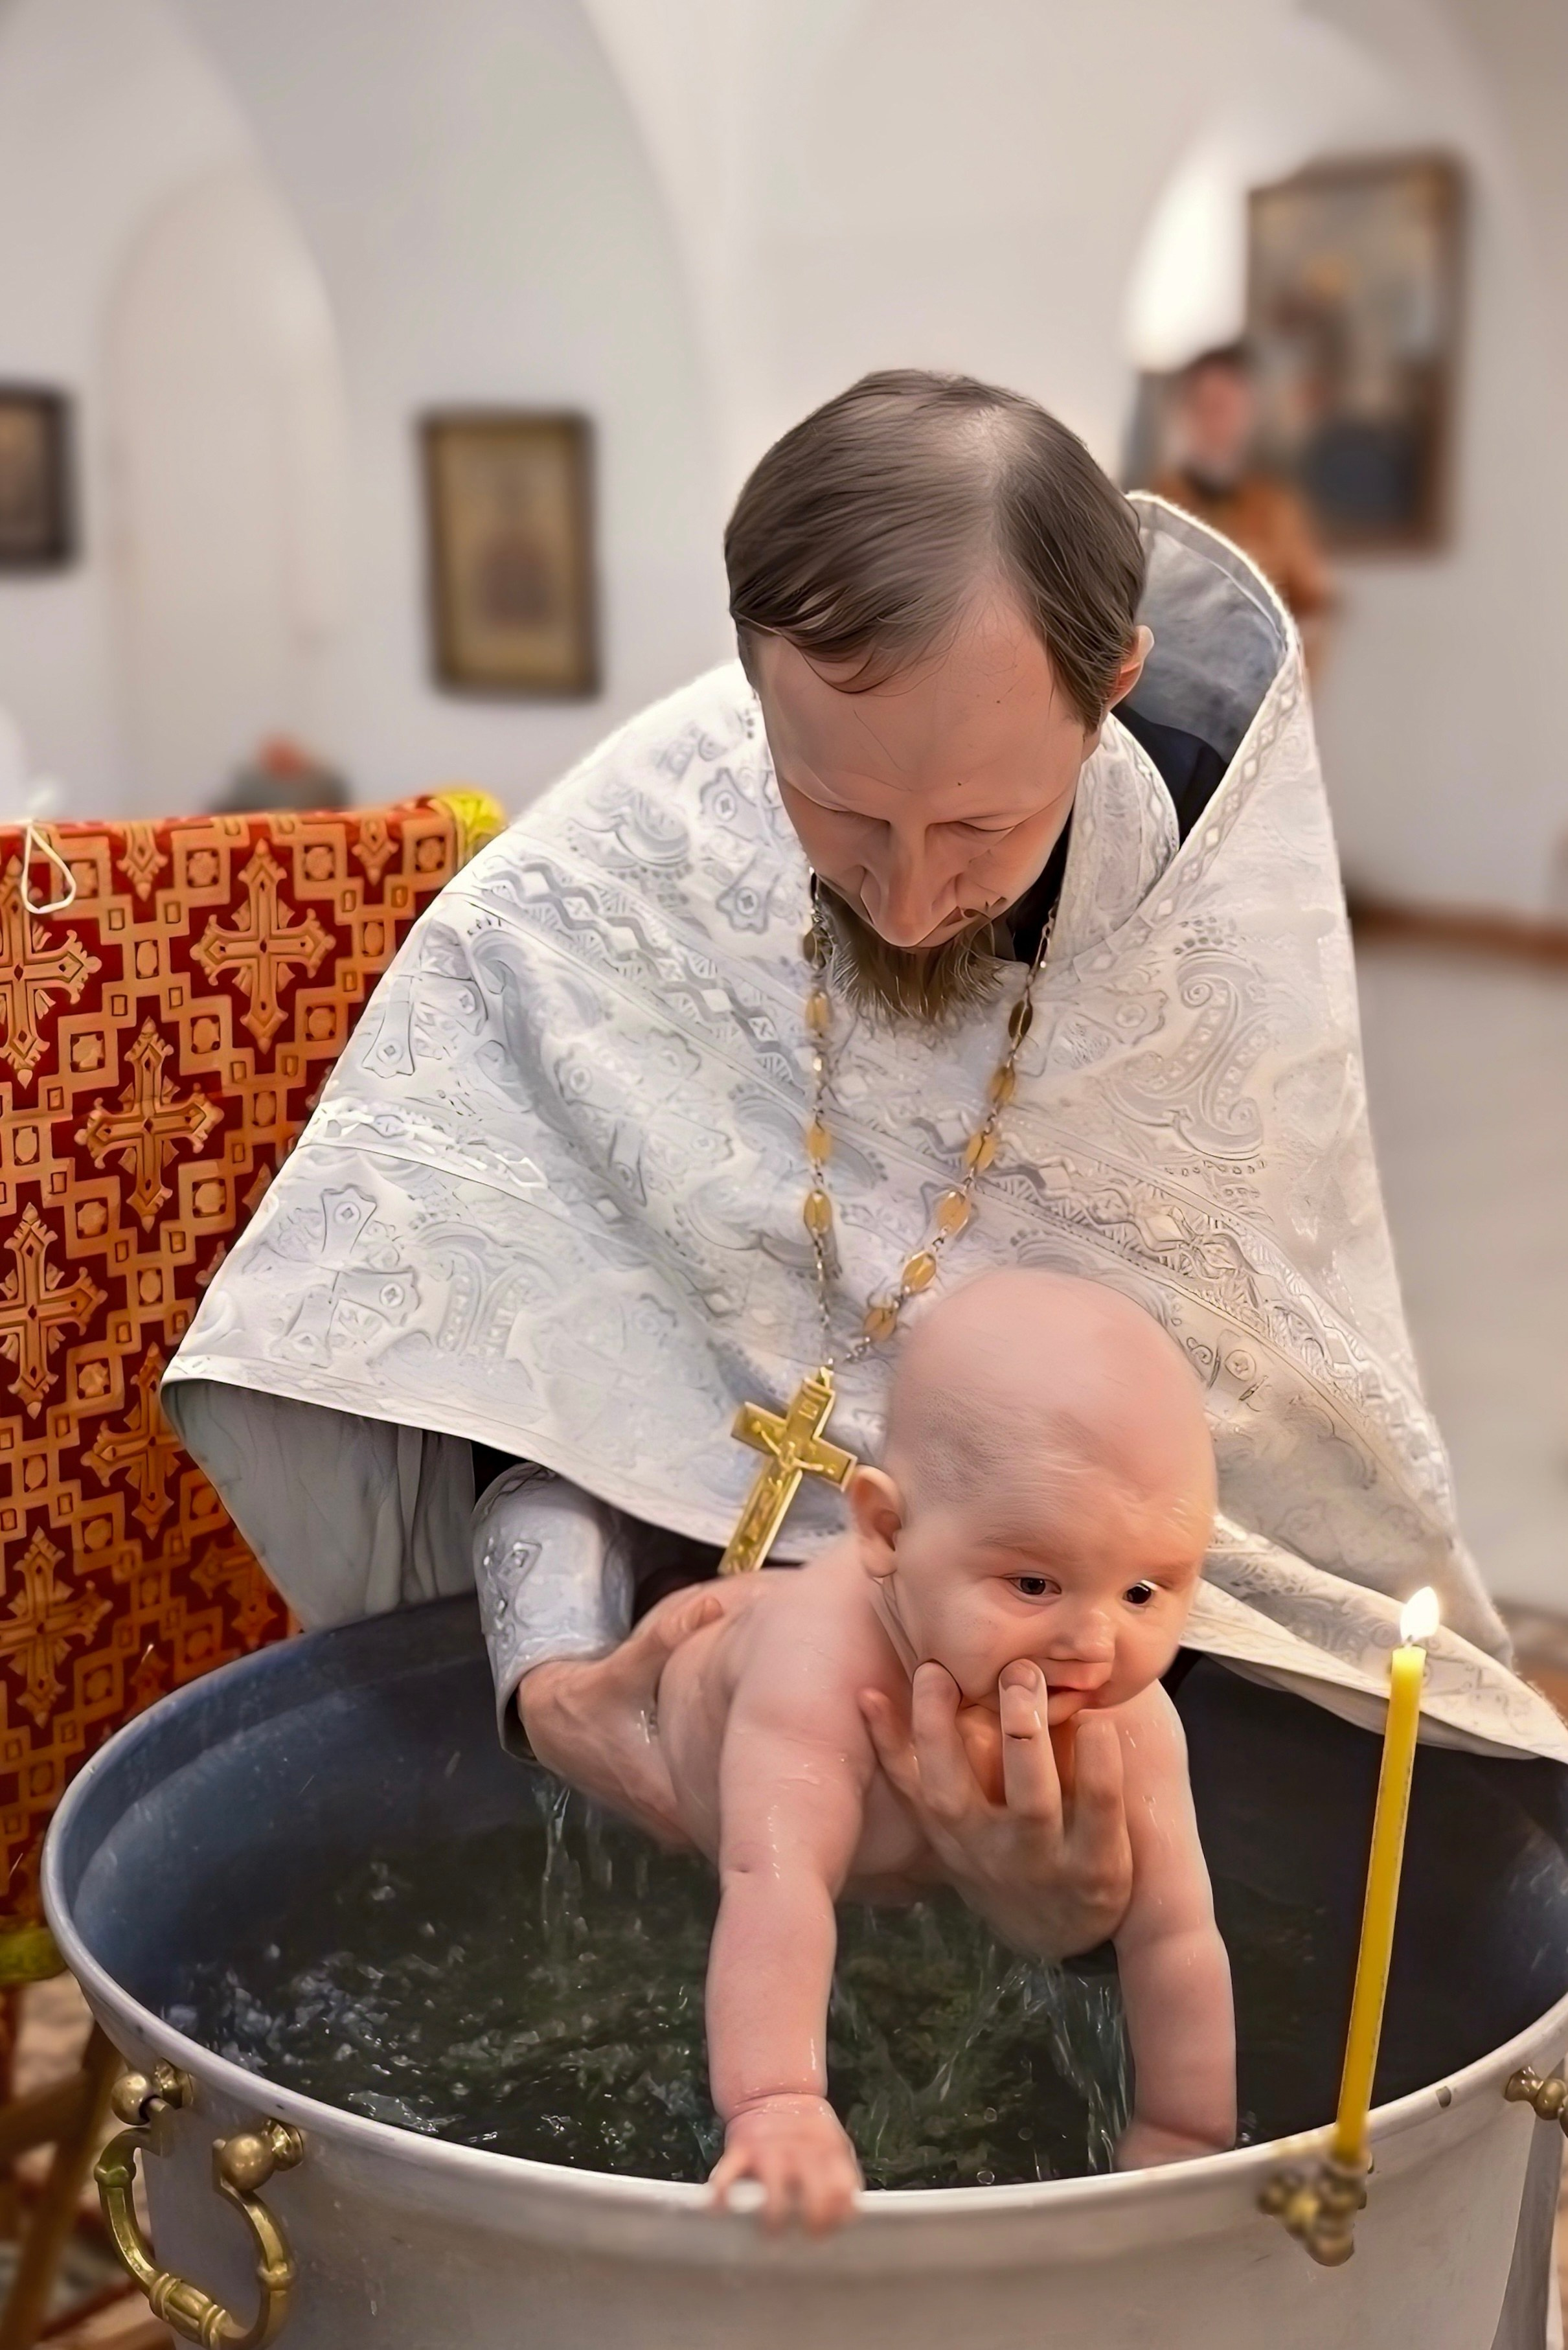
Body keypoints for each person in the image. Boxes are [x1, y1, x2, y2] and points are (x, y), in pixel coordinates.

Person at [161, 372, 1567, 2316]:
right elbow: (486, 1307)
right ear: (754, 682)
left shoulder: (1193, 937)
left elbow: (1237, 1471)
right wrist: (560, 1684)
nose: (908, 893)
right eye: (837, 808)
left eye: (983, 823)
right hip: (667, 1670)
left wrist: (1082, 1879)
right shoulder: (615, 874)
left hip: (1060, 1661)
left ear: (1109, 683)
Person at [505, 1268, 1235, 2230]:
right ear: (885, 1528)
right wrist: (779, 2107)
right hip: (693, 1709)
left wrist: (1185, 2136)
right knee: (755, 1722)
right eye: (1031, 1585)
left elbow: (1178, 1935)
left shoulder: (1120, 1705)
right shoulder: (819, 1668)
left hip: (899, 1755)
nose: (1094, 1643)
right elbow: (777, 1883)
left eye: (1147, 1592)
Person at [1150, 344, 1334, 678]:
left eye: (1227, 406)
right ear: (1185, 412)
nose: (1216, 418)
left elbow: (1312, 612)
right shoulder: (1150, 508)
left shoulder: (1278, 510)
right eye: (1206, 406)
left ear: (1249, 413)